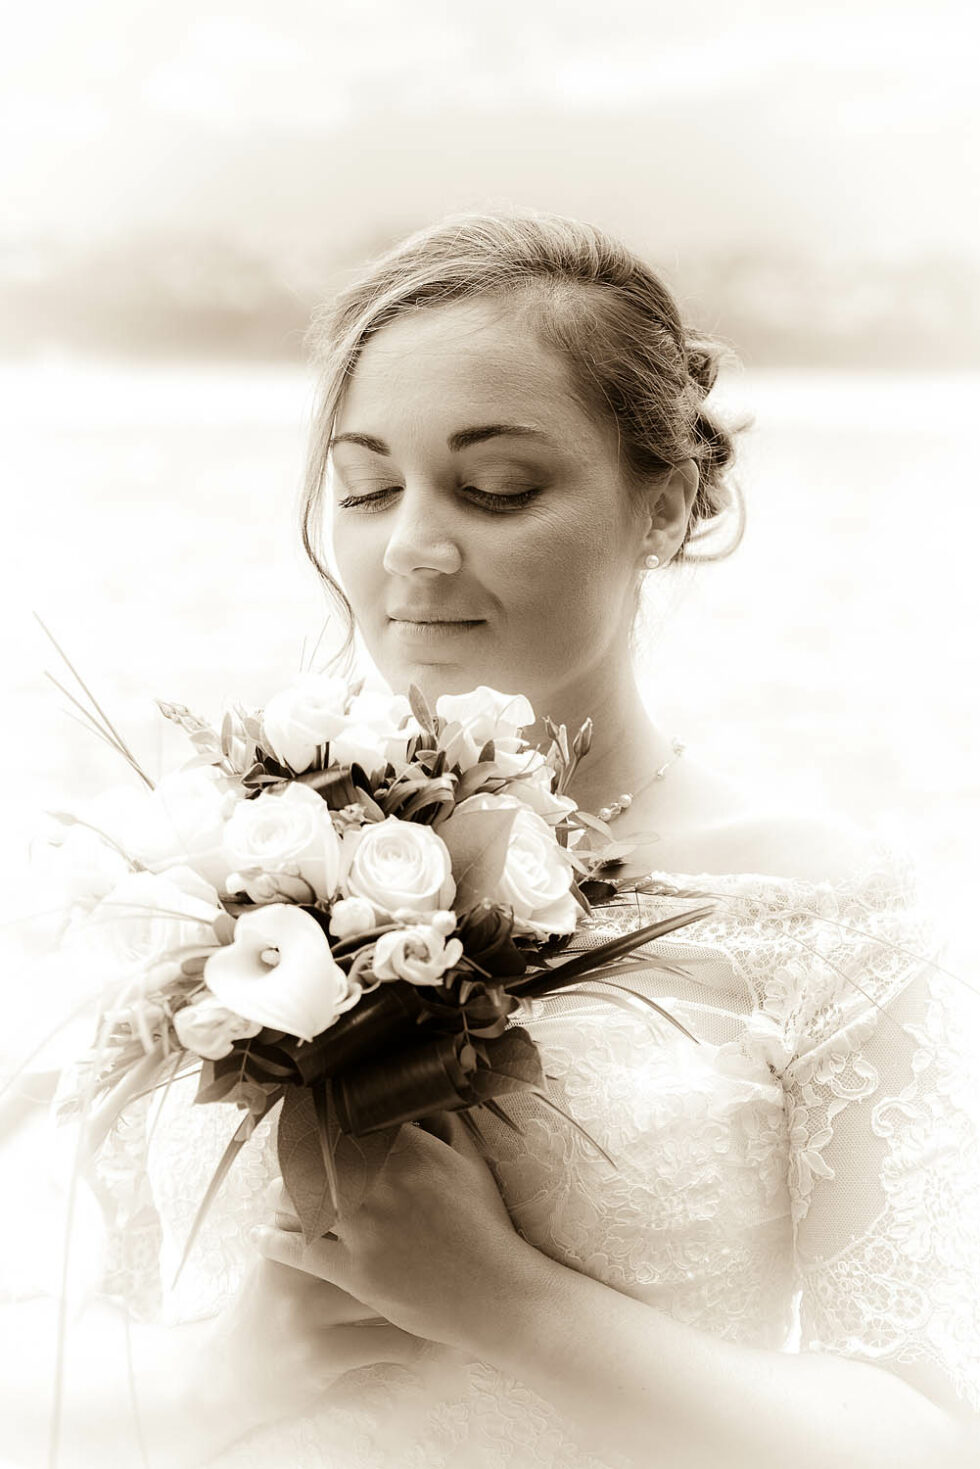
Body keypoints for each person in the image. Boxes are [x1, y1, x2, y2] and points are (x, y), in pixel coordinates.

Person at [6, 208, 979, 1468]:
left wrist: (507, 1302)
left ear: (664, 507)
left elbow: (928, 1431)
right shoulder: (219, 866)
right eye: (364, 487)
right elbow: (74, 1349)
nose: (410, 543)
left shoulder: (819, 906)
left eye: (495, 488)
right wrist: (209, 1381)